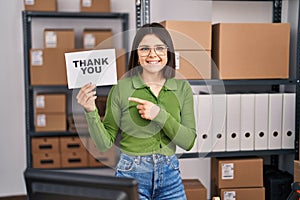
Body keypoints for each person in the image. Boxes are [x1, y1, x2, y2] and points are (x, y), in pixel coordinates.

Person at [76, 22, 196, 200]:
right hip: (132, 174)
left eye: (159, 48)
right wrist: (90, 111)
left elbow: (188, 142)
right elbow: (104, 144)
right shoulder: (121, 89)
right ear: (137, 55)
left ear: (168, 52)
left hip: (170, 177)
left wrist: (159, 115)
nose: (152, 54)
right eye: (144, 49)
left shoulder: (182, 88)